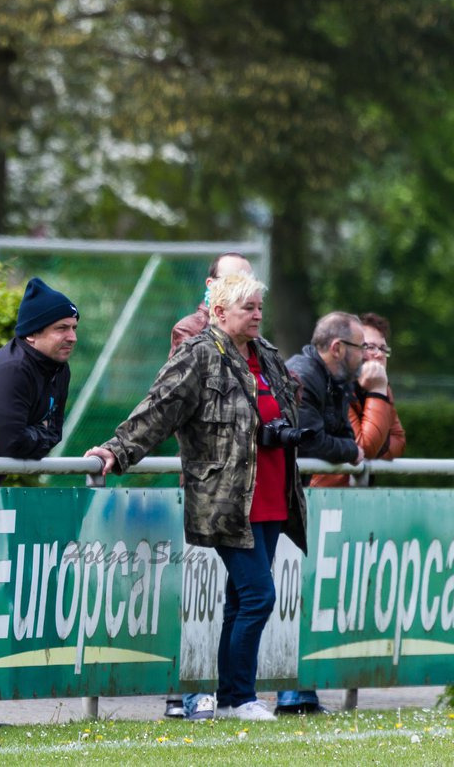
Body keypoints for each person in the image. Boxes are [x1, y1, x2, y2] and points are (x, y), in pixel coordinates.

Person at [84, 274, 306, 723]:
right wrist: (117, 449)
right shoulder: (199, 354)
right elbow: (158, 409)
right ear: (220, 312)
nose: (258, 315)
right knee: (260, 596)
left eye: (260, 307)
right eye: (249, 308)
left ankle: (228, 697)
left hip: (272, 494)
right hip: (228, 499)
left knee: (242, 600)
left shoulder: (268, 357)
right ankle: (242, 697)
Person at [165, 251, 251, 722]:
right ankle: (186, 691)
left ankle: (221, 689)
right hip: (206, 483)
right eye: (232, 281)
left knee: (237, 594)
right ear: (212, 286)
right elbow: (173, 402)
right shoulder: (192, 331)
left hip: (244, 486)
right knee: (197, 592)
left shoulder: (252, 336)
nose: (244, 293)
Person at [277, 311, 367, 714]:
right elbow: (310, 443)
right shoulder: (302, 375)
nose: (365, 355)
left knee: (304, 597)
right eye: (361, 347)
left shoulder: (336, 382)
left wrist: (347, 447)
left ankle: (300, 691)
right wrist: (349, 452)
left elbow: (346, 436)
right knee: (277, 598)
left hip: (303, 503)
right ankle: (284, 692)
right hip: (284, 503)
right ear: (337, 348)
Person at [0, 278, 77, 465]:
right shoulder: (12, 368)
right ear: (32, 334)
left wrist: (22, 439)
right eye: (62, 329)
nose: (72, 337)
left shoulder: (59, 369)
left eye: (74, 328)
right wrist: (30, 435)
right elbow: (9, 442)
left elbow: (54, 434)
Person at [311, 311, 405, 487]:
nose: (378, 354)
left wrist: (378, 391)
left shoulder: (381, 387)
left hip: (355, 492)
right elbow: (364, 446)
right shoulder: (337, 386)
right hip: (324, 494)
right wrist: (376, 392)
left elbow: (399, 442)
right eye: (369, 347)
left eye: (383, 348)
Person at [171, 252, 254, 352]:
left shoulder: (251, 326)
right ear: (210, 284)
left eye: (248, 281)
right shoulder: (190, 329)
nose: (243, 287)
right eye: (232, 280)